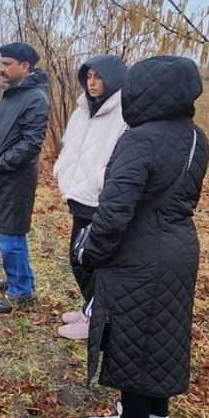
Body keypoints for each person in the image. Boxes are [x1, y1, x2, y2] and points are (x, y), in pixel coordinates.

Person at [78, 56, 209, 418]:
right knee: (165, 331)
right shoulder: (195, 136)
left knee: (134, 332)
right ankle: (158, 416)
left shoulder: (140, 139)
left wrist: (92, 251)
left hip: (140, 250)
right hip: (180, 245)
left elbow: (116, 209)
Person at [51, 55, 128, 340]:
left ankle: (95, 317)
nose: (92, 83)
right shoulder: (82, 110)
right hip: (78, 196)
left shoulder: (124, 114)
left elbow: (121, 162)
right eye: (89, 76)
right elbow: (70, 146)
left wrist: (103, 186)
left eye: (99, 76)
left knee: (91, 261)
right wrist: (61, 169)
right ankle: (91, 309)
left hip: (100, 200)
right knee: (78, 258)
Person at [0, 42, 49, 314]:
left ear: (24, 66)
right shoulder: (15, 93)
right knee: (10, 233)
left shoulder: (36, 97)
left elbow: (31, 143)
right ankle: (19, 280)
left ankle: (21, 292)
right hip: (4, 176)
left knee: (11, 235)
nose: (1, 68)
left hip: (15, 179)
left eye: (7, 64)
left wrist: (1, 164)